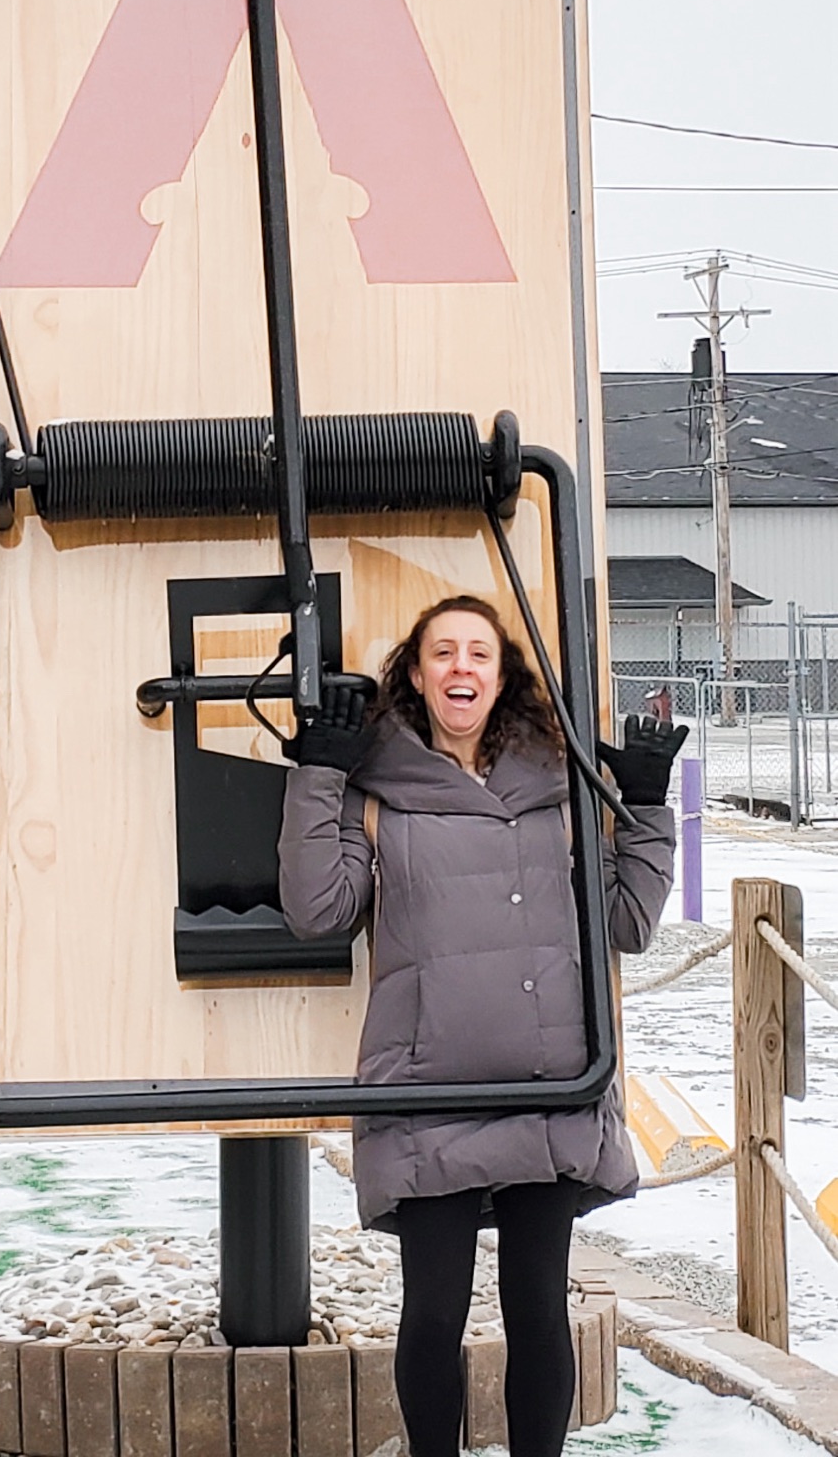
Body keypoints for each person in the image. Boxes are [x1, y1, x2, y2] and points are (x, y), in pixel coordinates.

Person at [278, 595, 683, 1457]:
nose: (461, 668)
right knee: (432, 1310)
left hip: (549, 1081)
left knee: (538, 1305)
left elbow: (629, 923)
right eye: (442, 654)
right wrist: (316, 771)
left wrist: (644, 804)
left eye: (478, 654)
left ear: (502, 678)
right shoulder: (377, 791)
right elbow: (317, 909)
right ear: (416, 675)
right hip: (431, 1086)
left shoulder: (559, 788)